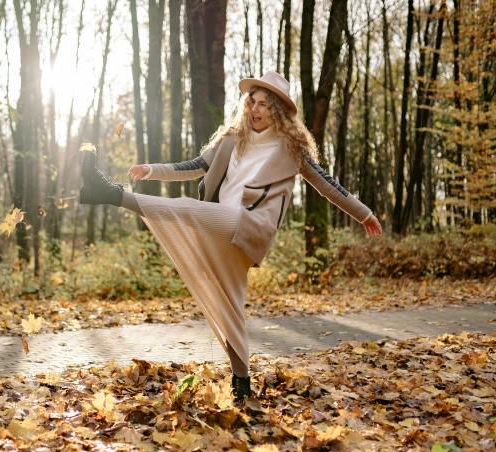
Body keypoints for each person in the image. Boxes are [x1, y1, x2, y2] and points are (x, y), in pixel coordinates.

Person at [79, 71, 383, 402]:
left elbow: (328, 184)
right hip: (220, 224)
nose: (256, 109)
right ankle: (241, 384)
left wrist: (363, 213)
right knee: (230, 308)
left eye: (264, 105)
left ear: (277, 110)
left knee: (186, 210)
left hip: (251, 226)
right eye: (252, 102)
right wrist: (152, 170)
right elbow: (195, 165)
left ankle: (110, 194)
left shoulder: (291, 148)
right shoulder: (231, 139)